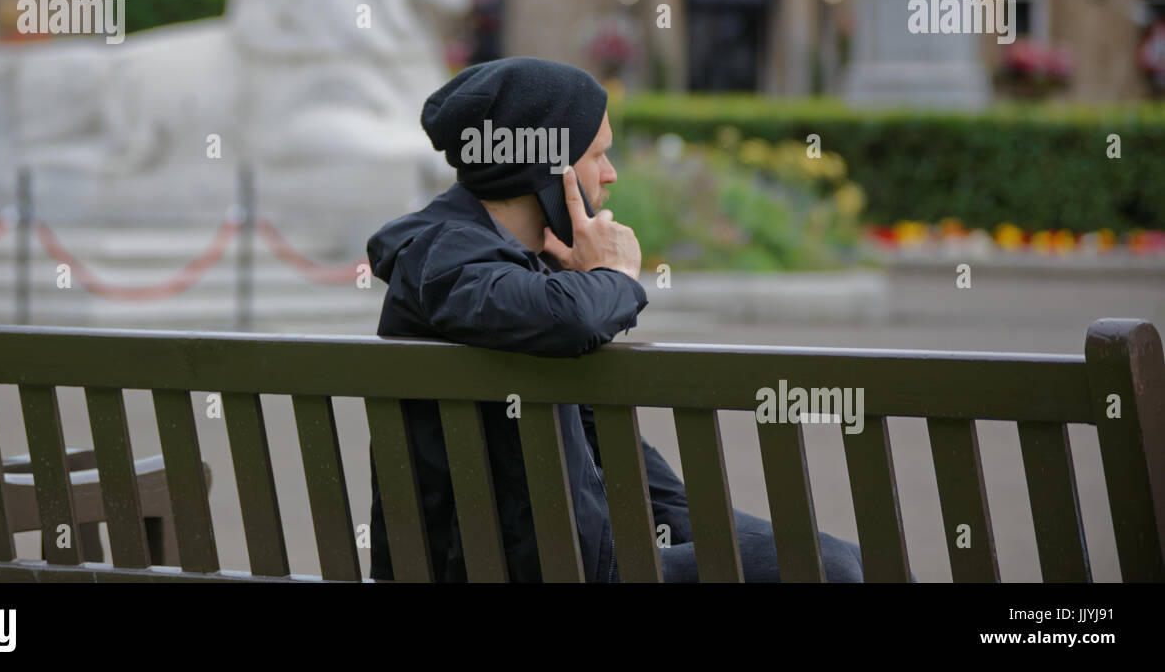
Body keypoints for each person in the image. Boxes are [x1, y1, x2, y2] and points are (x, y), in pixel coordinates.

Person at [364, 57, 864, 582]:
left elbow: (627, 473)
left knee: (852, 562)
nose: (610, 173)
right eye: (597, 154)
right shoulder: (444, 258)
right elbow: (569, 318)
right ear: (542, 166)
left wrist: (727, 533)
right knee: (828, 567)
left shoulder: (505, 270)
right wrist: (613, 275)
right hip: (550, 571)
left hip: (571, 559)